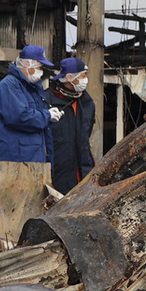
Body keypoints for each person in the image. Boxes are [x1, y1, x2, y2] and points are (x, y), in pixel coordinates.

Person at [0, 45, 62, 162]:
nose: (41, 72)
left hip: (30, 159)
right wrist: (47, 115)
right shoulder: (9, 86)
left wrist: (48, 116)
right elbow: (20, 117)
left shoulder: (31, 87)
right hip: (14, 161)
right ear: (27, 64)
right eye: (40, 67)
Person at [45, 56, 96, 194]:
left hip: (83, 169)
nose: (86, 79)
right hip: (58, 171)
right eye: (83, 75)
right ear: (69, 77)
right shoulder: (47, 101)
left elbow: (87, 133)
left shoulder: (87, 102)